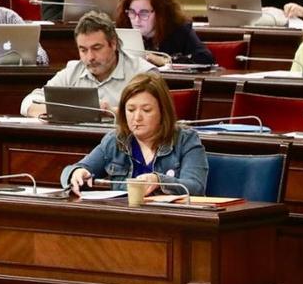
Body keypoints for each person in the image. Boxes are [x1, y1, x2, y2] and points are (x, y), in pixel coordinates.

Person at [61, 73, 208, 196]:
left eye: (146, 110)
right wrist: (77, 172)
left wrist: (158, 181)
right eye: (131, 110)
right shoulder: (116, 140)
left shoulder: (186, 140)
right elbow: (72, 170)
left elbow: (196, 187)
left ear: (163, 112)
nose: (137, 117)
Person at [21, 11, 156, 116]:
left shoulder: (143, 73)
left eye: (97, 48)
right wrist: (69, 111)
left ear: (113, 43)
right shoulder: (73, 71)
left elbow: (153, 114)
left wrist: (110, 112)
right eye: (83, 50)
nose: (90, 57)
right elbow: (27, 103)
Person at [115, 0, 214, 66]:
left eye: (144, 13)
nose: (136, 20)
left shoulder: (179, 30)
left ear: (160, 13)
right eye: (132, 12)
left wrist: (165, 61)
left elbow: (205, 58)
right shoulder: (123, 28)